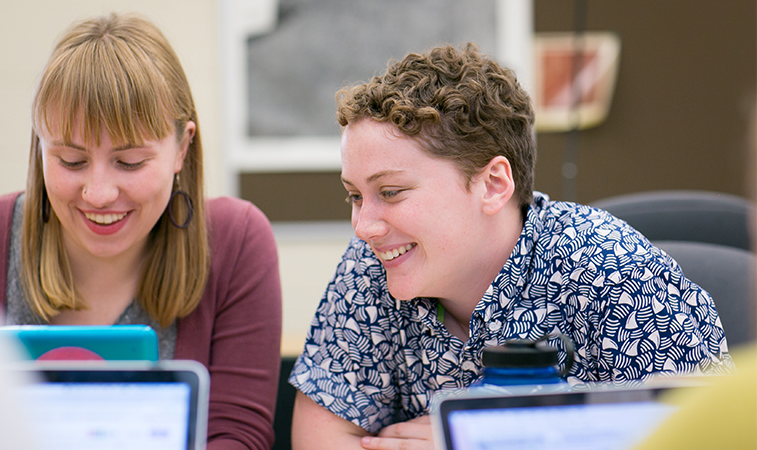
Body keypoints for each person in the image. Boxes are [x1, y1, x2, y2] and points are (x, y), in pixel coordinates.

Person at [288, 43, 733, 450]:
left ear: (493, 184)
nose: (364, 227)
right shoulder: (373, 265)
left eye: (390, 192)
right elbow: (322, 435)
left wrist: (482, 440)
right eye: (355, 196)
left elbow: (707, 439)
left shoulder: (616, 272)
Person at [0, 13, 282, 450]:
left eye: (130, 162)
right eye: (71, 161)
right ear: (40, 146)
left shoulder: (236, 242)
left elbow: (237, 437)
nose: (99, 193)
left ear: (182, 147)